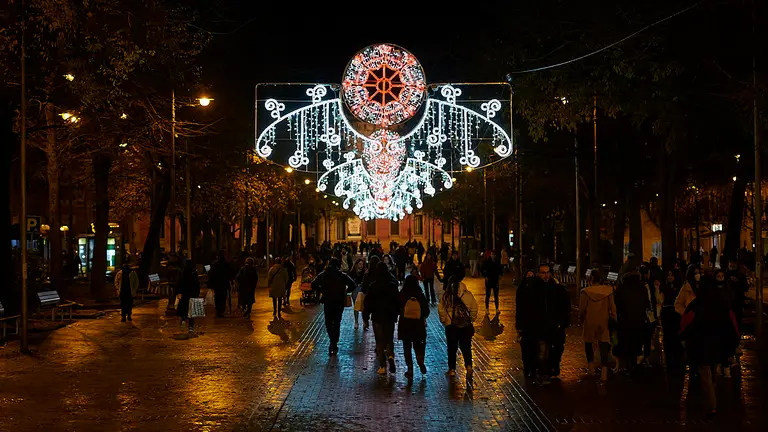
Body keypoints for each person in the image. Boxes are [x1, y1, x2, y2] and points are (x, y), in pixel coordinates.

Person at [680, 284, 740, 415]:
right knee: (712, 372)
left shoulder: (696, 306)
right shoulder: (722, 306)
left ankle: (711, 403)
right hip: (718, 347)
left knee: (705, 373)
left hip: (701, 347)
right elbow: (730, 328)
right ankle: (711, 399)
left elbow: (688, 325)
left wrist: (683, 338)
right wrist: (732, 346)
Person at [313, 258, 357, 355]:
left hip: (328, 301)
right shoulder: (342, 275)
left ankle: (332, 342)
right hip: (339, 301)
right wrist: (345, 292)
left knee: (328, 323)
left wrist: (322, 291)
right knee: (337, 322)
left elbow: (313, 284)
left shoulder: (324, 274)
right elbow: (353, 285)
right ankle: (334, 343)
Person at [438, 275, 479, 377]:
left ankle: (452, 369)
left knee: (452, 348)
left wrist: (444, 320)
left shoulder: (446, 296)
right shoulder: (468, 295)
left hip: (451, 326)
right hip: (465, 326)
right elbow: (474, 308)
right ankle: (468, 366)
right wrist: (471, 319)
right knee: (466, 347)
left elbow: (441, 309)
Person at [364, 262, 401, 373]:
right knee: (389, 340)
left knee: (379, 341)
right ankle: (390, 356)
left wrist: (366, 316)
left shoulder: (373, 286)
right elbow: (397, 301)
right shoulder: (392, 286)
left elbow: (368, 303)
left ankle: (382, 366)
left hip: (377, 316)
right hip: (389, 316)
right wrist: (396, 313)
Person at [579, 272, 616, 381]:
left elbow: (582, 309)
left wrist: (581, 319)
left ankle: (591, 369)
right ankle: (604, 373)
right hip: (603, 320)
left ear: (590, 279)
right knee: (604, 344)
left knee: (588, 343)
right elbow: (613, 308)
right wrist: (614, 319)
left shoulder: (585, 292)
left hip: (590, 320)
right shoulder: (608, 291)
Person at [615, 264, 651, 375]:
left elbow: (617, 304)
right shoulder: (642, 288)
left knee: (627, 342)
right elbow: (647, 304)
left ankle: (627, 366)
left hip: (625, 320)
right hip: (639, 320)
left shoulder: (621, 288)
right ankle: (634, 364)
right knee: (636, 342)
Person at [398, 275, 430, 377]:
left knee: (407, 347)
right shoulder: (420, 295)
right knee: (418, 345)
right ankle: (420, 360)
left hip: (405, 325)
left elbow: (397, 307)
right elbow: (426, 311)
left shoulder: (402, 294)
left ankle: (410, 368)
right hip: (418, 325)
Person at [660, 269, 684, 370]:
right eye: (668, 275)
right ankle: (669, 360)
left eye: (672, 275)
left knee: (676, 337)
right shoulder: (664, 286)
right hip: (666, 312)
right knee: (668, 337)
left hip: (675, 313)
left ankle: (677, 360)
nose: (670, 277)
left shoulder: (679, 287)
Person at [515, 270, 538, 378]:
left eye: (532, 276)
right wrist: (519, 326)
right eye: (528, 276)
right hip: (524, 325)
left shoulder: (537, 289)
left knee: (534, 348)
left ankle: (533, 369)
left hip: (535, 324)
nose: (530, 278)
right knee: (525, 348)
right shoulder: (521, 290)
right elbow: (518, 309)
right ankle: (527, 367)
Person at [725, 260, 748, 335]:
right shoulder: (725, 275)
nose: (732, 268)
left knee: (737, 319)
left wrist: (737, 282)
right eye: (730, 266)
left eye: (733, 266)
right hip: (727, 302)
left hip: (737, 301)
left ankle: (736, 334)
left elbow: (745, 287)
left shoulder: (740, 275)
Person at [177, 260, 201, 333]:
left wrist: (179, 292)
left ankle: (183, 321)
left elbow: (179, 282)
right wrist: (197, 293)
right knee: (191, 311)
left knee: (184, 309)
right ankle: (191, 327)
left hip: (184, 294)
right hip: (192, 293)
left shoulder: (182, 272)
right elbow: (197, 284)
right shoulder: (194, 273)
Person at [208, 251, 231, 318]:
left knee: (217, 297)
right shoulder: (226, 264)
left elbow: (211, 274)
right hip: (224, 283)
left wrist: (211, 283)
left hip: (217, 283)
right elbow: (229, 273)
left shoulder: (214, 264)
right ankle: (221, 310)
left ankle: (218, 310)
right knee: (223, 297)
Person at [482, 251, 503, 315]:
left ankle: (497, 309)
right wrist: (485, 276)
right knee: (488, 295)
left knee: (496, 295)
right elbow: (482, 269)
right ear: (490, 255)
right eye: (492, 254)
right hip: (488, 280)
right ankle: (487, 309)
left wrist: (500, 275)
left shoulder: (497, 262)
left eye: (494, 254)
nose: (493, 256)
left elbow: (500, 269)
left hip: (495, 280)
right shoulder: (487, 262)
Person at [348, 258, 367, 329]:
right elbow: (350, 281)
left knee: (363, 306)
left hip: (362, 290)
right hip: (355, 290)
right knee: (356, 306)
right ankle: (356, 321)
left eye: (362, 264)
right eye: (360, 264)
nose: (361, 266)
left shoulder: (364, 272)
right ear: (356, 264)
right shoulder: (352, 272)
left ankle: (364, 321)